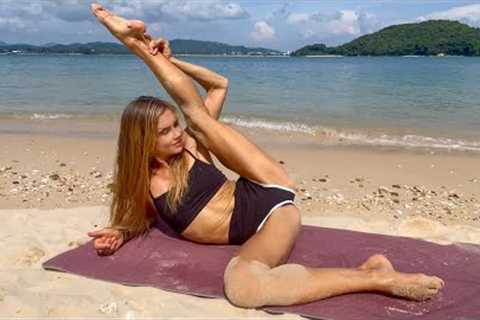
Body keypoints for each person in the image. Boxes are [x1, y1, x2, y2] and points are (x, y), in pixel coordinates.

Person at [87, 4, 444, 309]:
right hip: (266, 222)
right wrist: (120, 232)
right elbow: (142, 217)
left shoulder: (192, 146)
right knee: (244, 288)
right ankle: (372, 275)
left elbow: (216, 86)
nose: (176, 133)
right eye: (164, 132)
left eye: (173, 126)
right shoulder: (146, 183)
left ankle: (134, 43)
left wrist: (167, 57)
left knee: (199, 118)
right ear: (142, 143)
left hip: (262, 187)